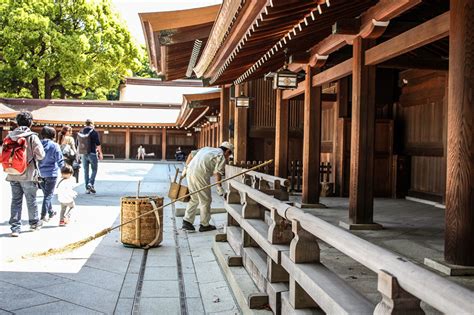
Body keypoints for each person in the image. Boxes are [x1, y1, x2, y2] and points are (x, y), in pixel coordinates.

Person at [5, 111, 45, 237]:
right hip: (28, 173)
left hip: (12, 173)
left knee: (16, 200)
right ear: (31, 123)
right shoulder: (32, 136)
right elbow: (41, 155)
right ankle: (34, 223)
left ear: (17, 122)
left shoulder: (10, 136)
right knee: (31, 199)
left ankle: (15, 228)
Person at [181, 141, 233, 232]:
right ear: (227, 151)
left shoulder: (206, 148)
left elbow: (191, 154)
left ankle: (187, 222)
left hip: (190, 171)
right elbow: (218, 173)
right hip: (200, 174)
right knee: (205, 200)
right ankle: (204, 225)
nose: (228, 157)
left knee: (194, 198)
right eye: (229, 155)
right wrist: (219, 188)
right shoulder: (221, 156)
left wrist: (185, 168)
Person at [38, 126, 64, 222]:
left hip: (39, 173)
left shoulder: (38, 144)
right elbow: (60, 160)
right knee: (48, 195)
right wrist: (65, 171)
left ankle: (51, 211)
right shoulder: (54, 145)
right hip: (51, 173)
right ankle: (43, 215)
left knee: (46, 194)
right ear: (53, 135)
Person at [77, 119, 103, 194]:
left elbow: (77, 144)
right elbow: (98, 144)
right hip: (92, 153)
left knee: (86, 171)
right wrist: (100, 153)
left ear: (85, 124)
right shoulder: (94, 132)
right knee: (94, 170)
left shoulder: (81, 131)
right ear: (92, 124)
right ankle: (90, 183)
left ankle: (87, 189)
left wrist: (78, 155)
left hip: (83, 154)